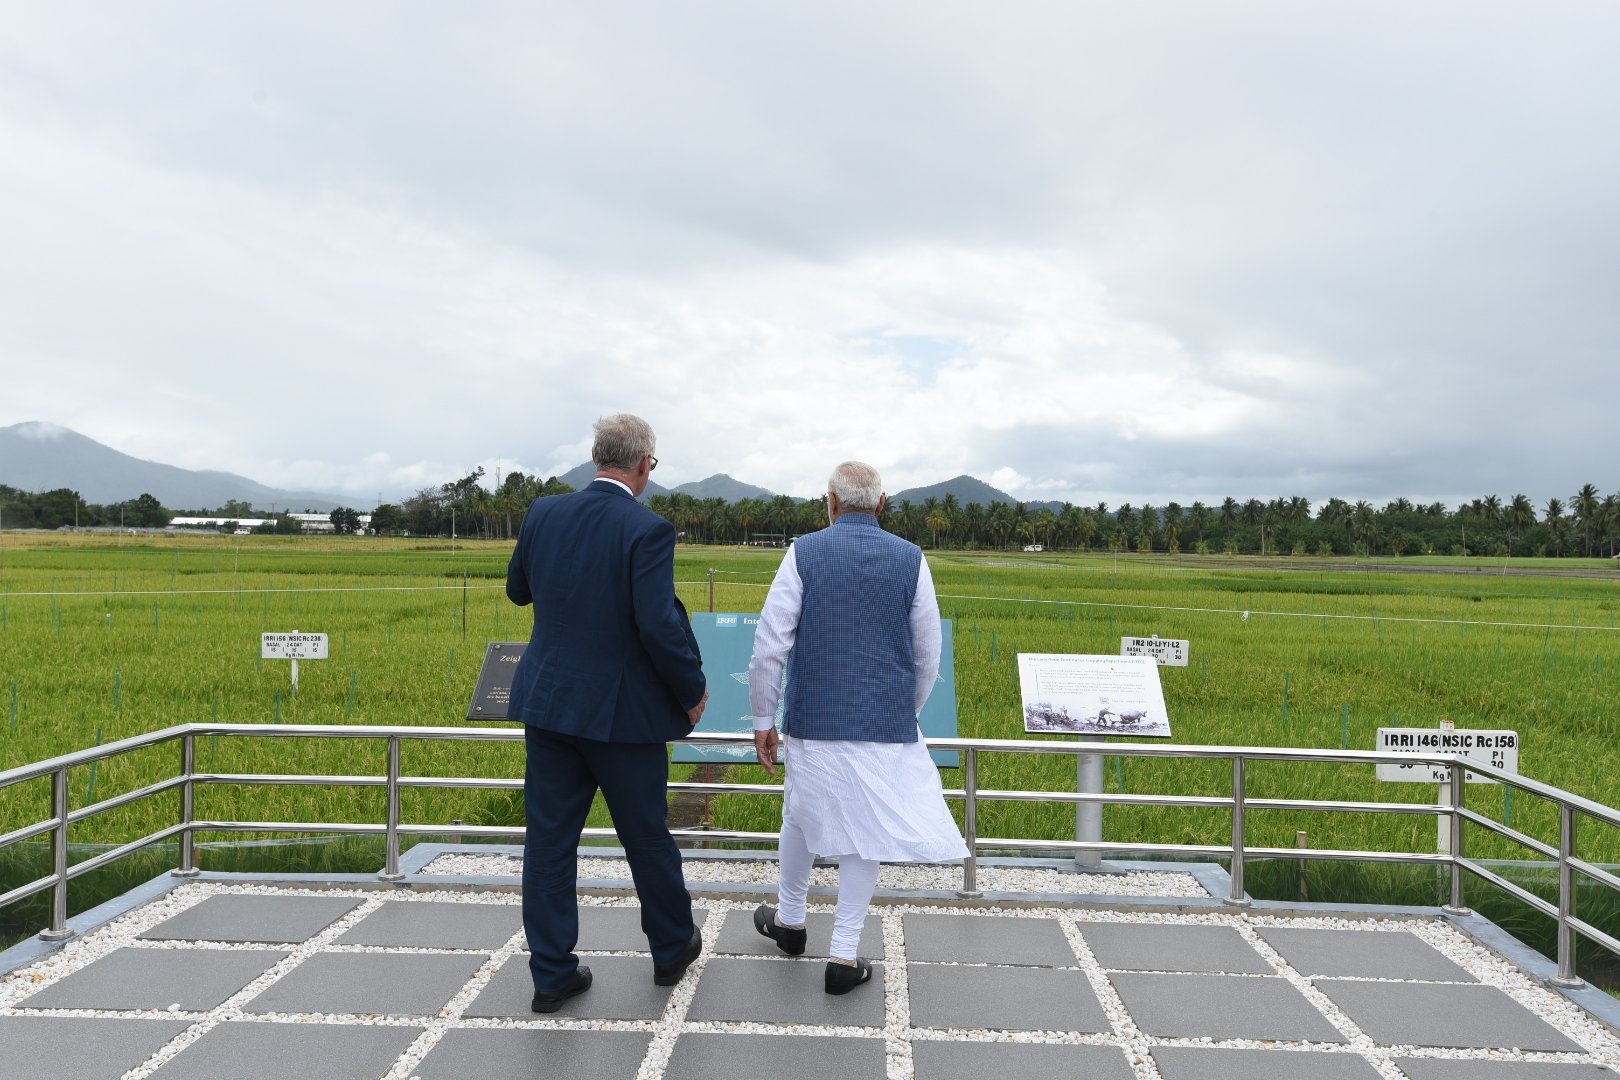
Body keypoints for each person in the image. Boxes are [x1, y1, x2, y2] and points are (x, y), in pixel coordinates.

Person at [505, 413, 710, 1013]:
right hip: (623, 717)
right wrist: (692, 689)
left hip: (548, 706)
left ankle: (551, 974)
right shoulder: (647, 529)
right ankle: (671, 949)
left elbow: (519, 591)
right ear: (644, 464)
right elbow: (658, 625)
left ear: (599, 457)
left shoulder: (543, 513)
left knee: (548, 843)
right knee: (646, 836)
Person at [747, 460, 967, 994]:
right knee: (859, 835)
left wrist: (762, 720)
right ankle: (835, 950)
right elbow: (928, 654)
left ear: (832, 502)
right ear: (883, 503)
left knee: (800, 809)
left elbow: (770, 645)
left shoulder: (803, 553)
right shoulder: (912, 560)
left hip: (814, 720)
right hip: (884, 724)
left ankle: (794, 922)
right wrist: (904, 711)